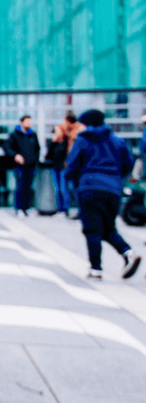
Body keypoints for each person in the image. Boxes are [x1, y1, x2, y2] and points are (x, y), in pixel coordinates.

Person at [65, 109, 141, 280]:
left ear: (88, 123)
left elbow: (72, 165)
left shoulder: (83, 140)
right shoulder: (117, 141)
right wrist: (115, 179)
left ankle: (96, 268)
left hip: (89, 187)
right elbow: (128, 163)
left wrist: (78, 181)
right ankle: (128, 253)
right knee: (108, 227)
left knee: (92, 228)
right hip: (112, 190)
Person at [4, 115, 40, 216]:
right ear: (21, 122)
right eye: (27, 121)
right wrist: (15, 156)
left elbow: (37, 149)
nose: (29, 123)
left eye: (30, 121)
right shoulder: (14, 135)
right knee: (20, 187)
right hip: (19, 166)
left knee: (28, 188)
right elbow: (6, 147)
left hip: (31, 166)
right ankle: (19, 208)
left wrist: (34, 160)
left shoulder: (33, 135)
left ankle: (26, 208)